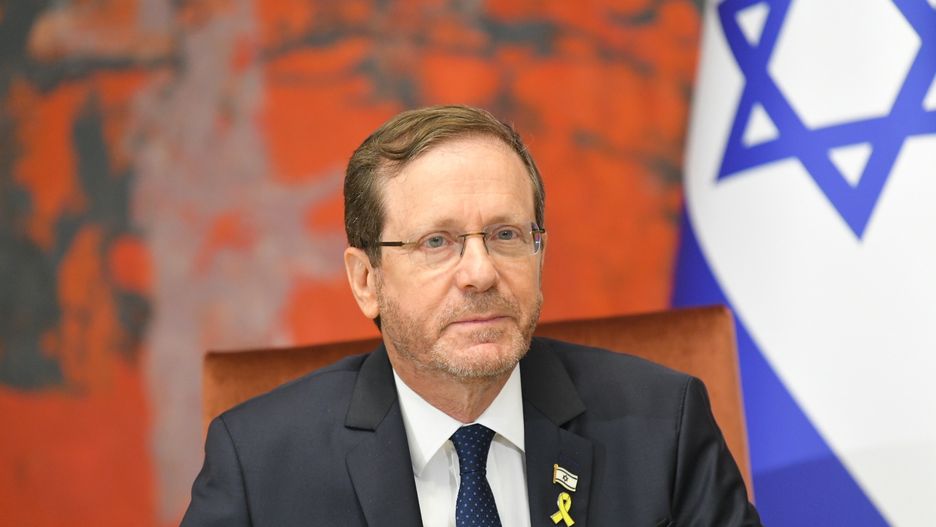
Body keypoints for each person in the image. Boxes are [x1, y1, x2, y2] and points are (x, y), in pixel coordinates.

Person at [182, 105, 762, 526]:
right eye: (437, 242)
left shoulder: (662, 425)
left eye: (506, 235)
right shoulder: (259, 464)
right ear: (366, 281)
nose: (481, 273)